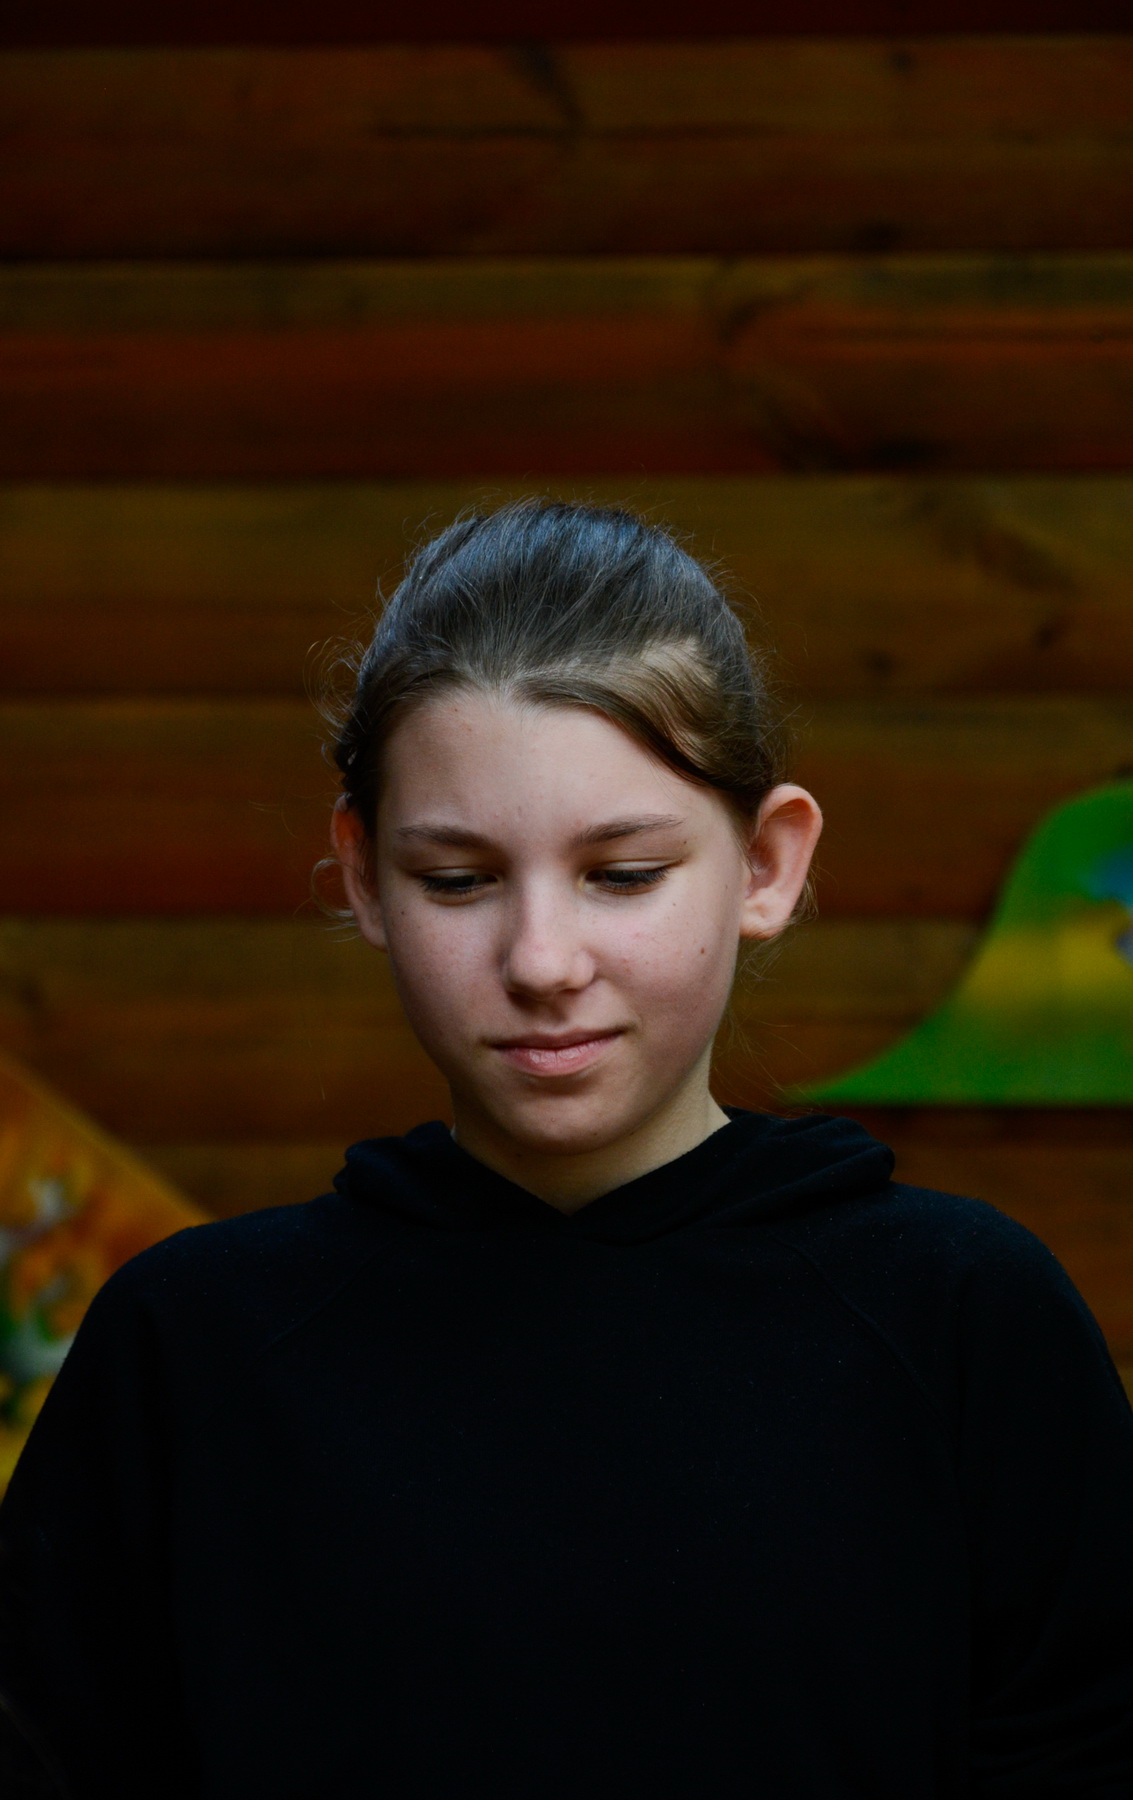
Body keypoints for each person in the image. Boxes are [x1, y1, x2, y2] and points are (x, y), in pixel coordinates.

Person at [1, 499, 1132, 1799]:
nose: (541, 962)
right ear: (363, 877)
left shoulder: (963, 1323)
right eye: (459, 879)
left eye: (623, 873)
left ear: (767, 864)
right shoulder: (188, 1353)